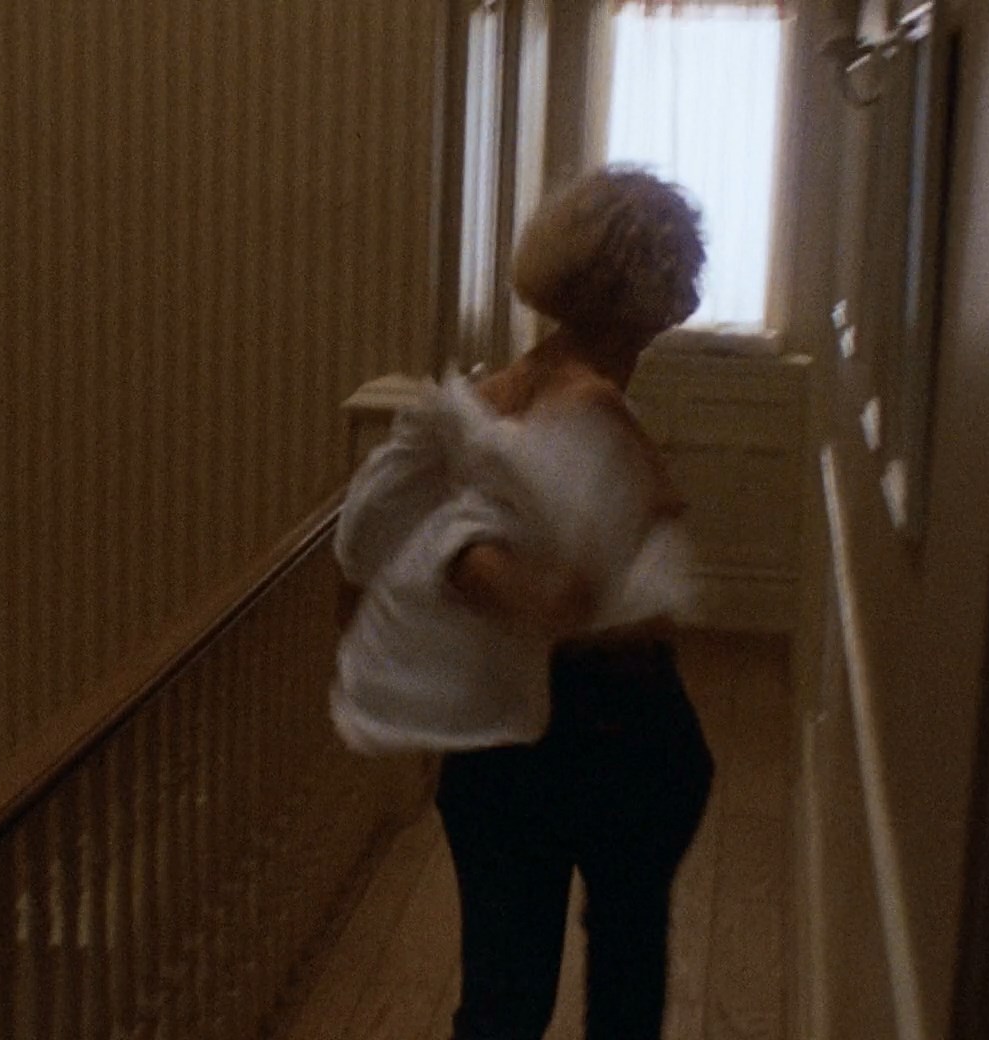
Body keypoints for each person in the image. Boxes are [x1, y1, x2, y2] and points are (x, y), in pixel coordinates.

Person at [331, 165, 715, 1039]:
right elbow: (585, 597)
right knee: (624, 988)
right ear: (660, 296)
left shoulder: (491, 394)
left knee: (500, 1002)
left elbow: (378, 539)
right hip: (617, 735)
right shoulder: (595, 410)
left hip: (498, 750)